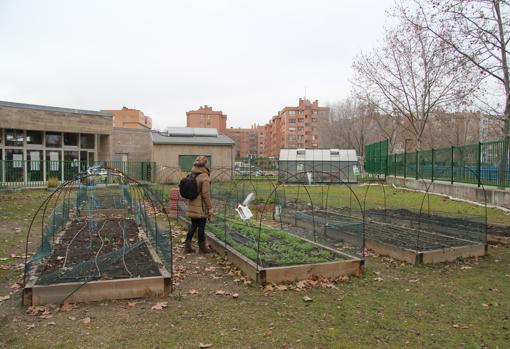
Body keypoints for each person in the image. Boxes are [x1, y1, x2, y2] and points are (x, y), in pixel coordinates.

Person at [184, 155, 213, 253]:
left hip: (192, 204)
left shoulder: (192, 174)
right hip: (200, 207)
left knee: (193, 225)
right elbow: (205, 194)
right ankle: (202, 248)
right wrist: (210, 207)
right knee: (201, 227)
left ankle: (187, 247)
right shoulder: (204, 177)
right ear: (205, 164)